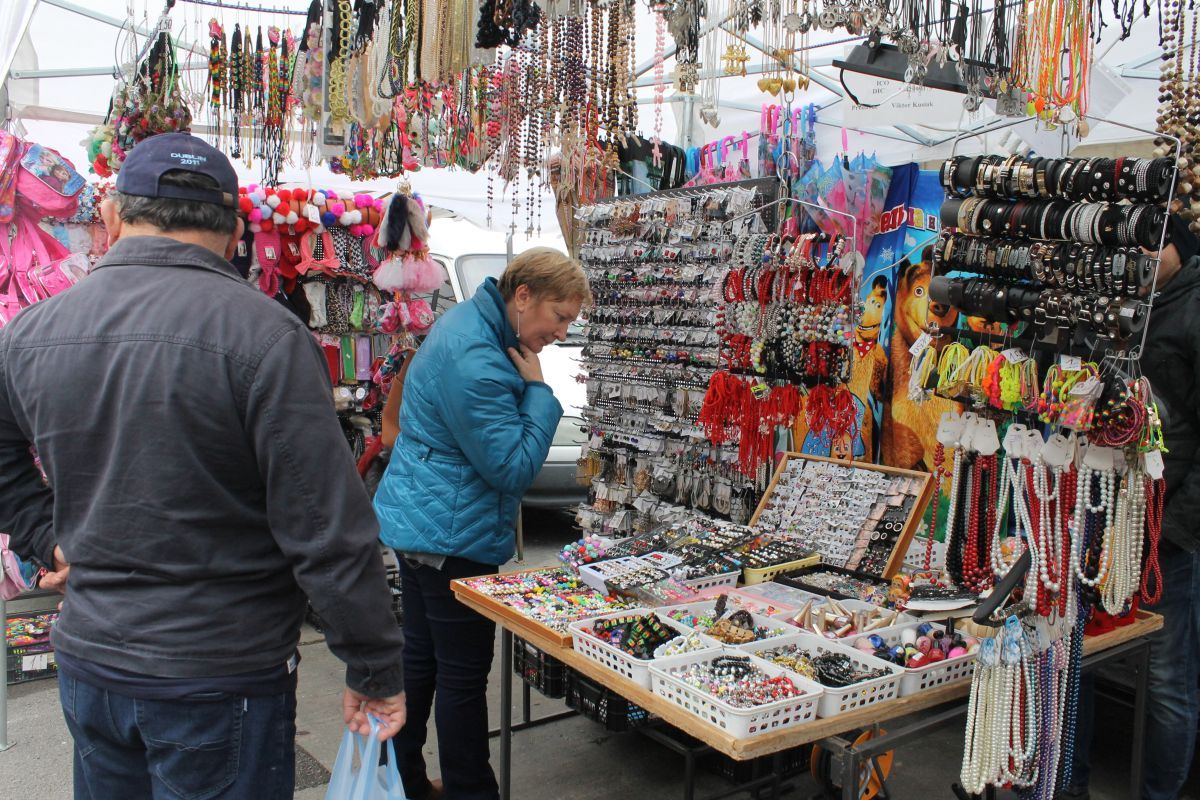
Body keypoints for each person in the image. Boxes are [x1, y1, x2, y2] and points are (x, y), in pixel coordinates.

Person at [0, 132, 406, 799]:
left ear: (112, 216)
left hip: (95, 662)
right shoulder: (267, 336)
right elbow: (326, 528)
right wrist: (373, 665)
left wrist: (47, 536)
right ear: (236, 233)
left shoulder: (32, 332)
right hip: (218, 672)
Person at [373, 248, 590, 800]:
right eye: (559, 316)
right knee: (462, 675)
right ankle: (470, 791)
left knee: (423, 659)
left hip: (426, 521)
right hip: (451, 533)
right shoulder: (479, 357)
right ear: (523, 296)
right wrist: (539, 394)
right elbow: (512, 469)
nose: (561, 333)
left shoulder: (473, 323)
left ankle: (403, 781)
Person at [1063, 215, 1200, 800]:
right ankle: (1070, 785)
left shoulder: (1191, 307)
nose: (1142, 254)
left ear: (1180, 246)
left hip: (1165, 527)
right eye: (1133, 243)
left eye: (1154, 242)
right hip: (1099, 512)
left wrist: (1179, 526)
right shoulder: (1118, 305)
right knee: (1077, 657)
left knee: (1167, 680)